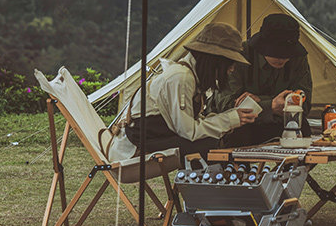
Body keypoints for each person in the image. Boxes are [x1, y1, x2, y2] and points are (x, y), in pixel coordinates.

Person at [105, 22, 258, 163]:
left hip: (157, 137)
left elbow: (190, 123)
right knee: (208, 145)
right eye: (230, 63)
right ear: (215, 61)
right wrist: (229, 119)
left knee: (216, 139)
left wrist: (232, 118)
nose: (232, 69)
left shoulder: (191, 76)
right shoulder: (181, 77)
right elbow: (189, 132)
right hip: (138, 147)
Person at [218, 13, 313, 147]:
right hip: (244, 126)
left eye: (287, 54)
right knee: (239, 132)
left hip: (281, 123)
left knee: (303, 128)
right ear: (262, 46)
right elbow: (226, 105)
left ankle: (294, 162)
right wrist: (271, 106)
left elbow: (304, 104)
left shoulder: (298, 59)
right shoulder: (240, 55)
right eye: (275, 52)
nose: (281, 58)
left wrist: (259, 102)